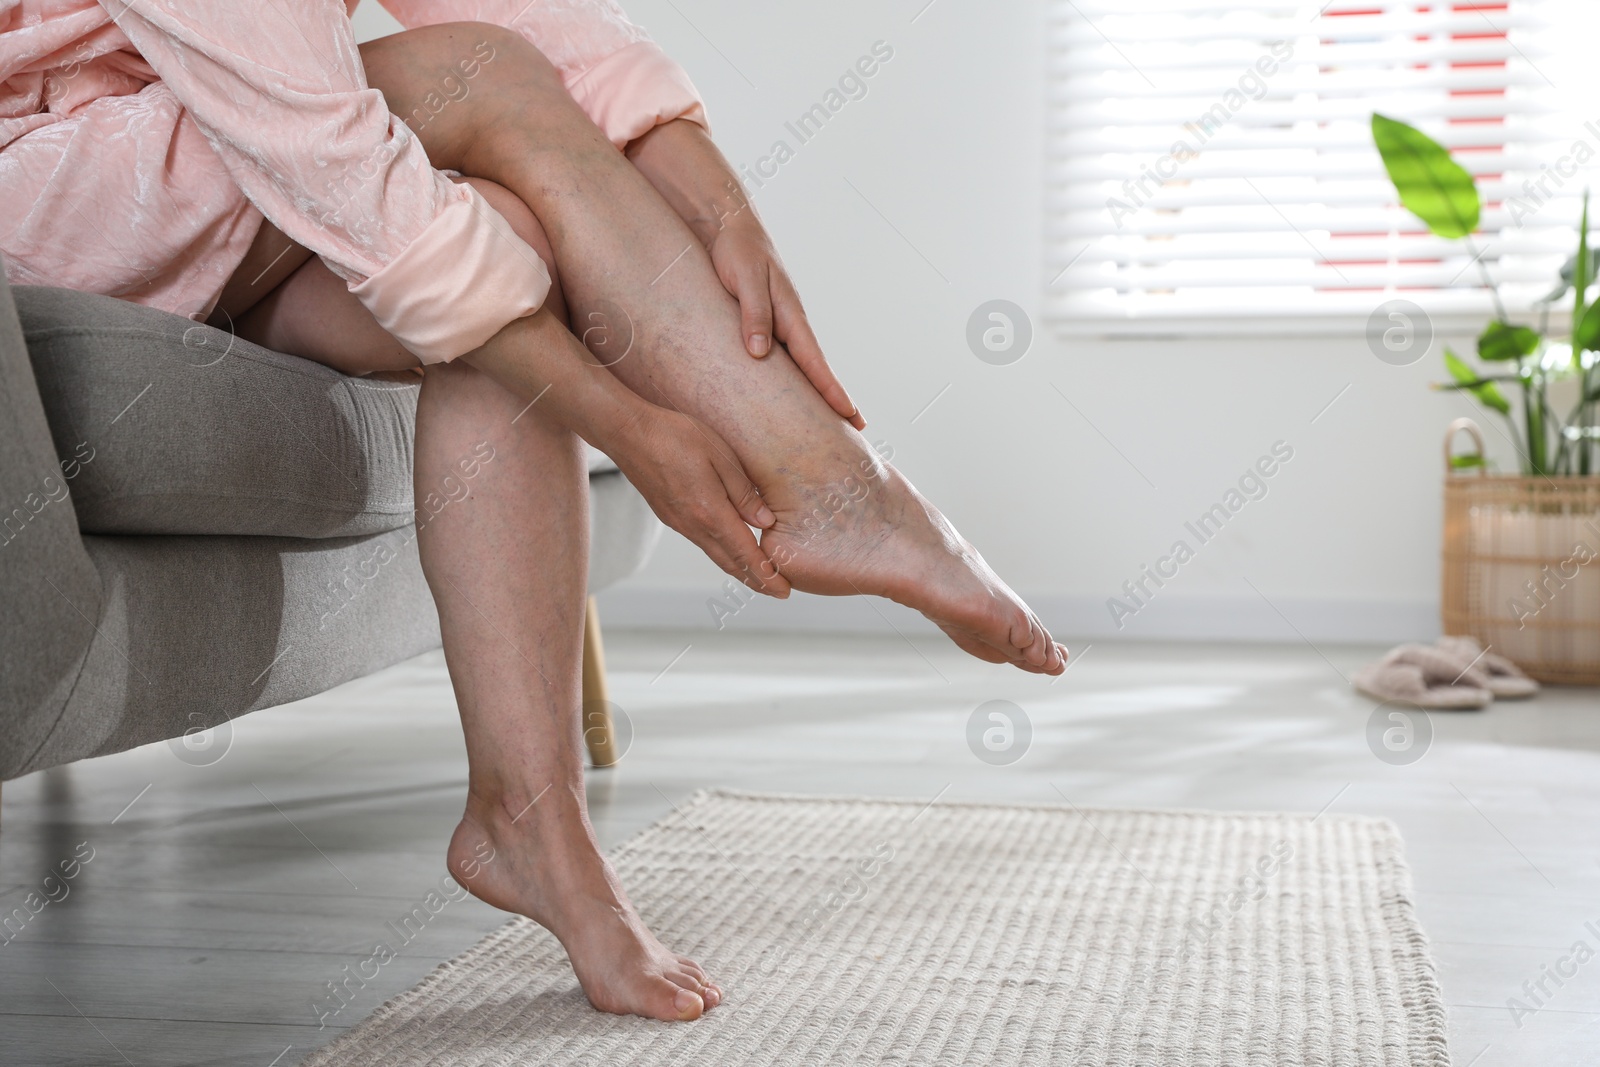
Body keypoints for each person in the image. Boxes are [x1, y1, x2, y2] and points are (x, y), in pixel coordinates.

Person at [1, 0, 1067, 1023]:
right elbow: (324, 143)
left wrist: (720, 205)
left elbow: (535, 11)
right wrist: (630, 427)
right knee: (481, 77)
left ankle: (530, 820)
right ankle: (838, 486)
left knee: (515, 229)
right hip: (37, 194)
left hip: (187, 158)